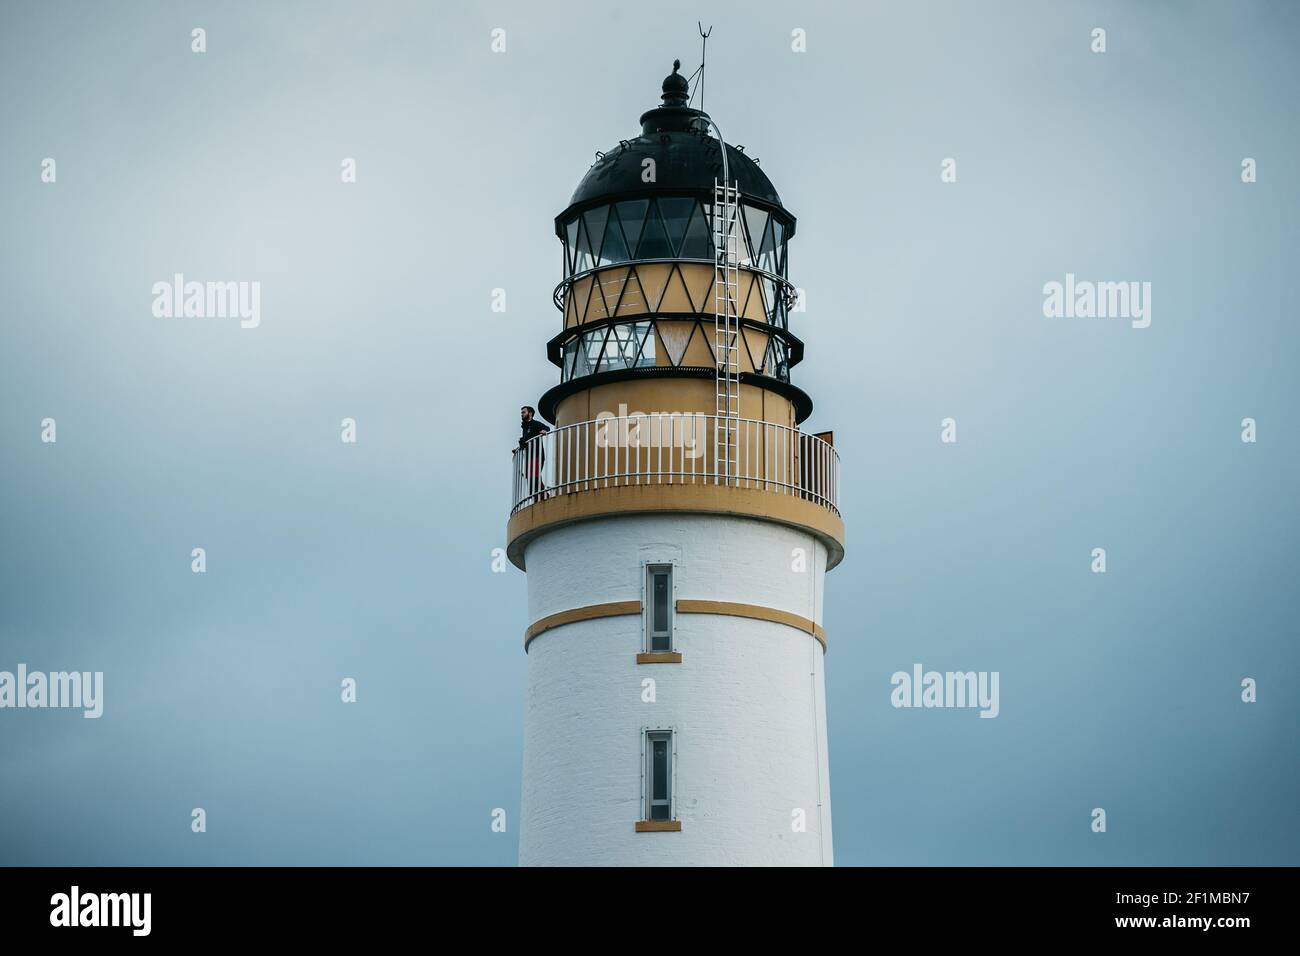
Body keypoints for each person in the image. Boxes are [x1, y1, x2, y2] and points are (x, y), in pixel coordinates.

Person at [515, 406, 551, 500]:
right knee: (529, 477)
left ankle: (543, 496)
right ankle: (537, 496)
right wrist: (517, 448)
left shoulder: (535, 424)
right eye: (521, 413)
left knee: (534, 476)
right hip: (529, 456)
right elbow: (526, 440)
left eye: (524, 412)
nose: (521, 414)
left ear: (530, 413)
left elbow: (547, 428)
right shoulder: (525, 427)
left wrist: (544, 431)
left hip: (537, 454)